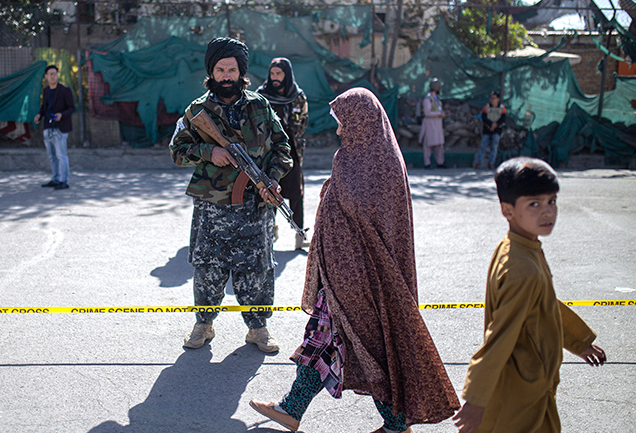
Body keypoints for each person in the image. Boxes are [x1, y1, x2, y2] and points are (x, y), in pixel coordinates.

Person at [249, 88, 460, 432]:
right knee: (325, 338)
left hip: (362, 278)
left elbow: (367, 217)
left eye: (342, 122)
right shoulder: (358, 157)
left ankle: (393, 423)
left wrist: (334, 197)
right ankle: (293, 409)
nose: (338, 130)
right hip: (341, 272)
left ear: (360, 122)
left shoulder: (377, 163)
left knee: (367, 347)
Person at [453, 157, 606, 433]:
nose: (547, 212)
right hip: (522, 389)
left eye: (552, 201)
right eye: (534, 204)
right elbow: (499, 336)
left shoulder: (518, 248)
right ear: (507, 210)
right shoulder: (522, 268)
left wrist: (578, 340)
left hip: (532, 384)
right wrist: (476, 399)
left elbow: (544, 303)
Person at [169, 37, 292, 353]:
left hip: (255, 206)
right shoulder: (197, 110)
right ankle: (204, 324)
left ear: (241, 73)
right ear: (211, 72)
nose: (226, 76)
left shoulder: (260, 106)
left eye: (232, 70)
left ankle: (258, 329)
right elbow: (177, 151)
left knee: (258, 269)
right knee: (208, 268)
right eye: (221, 69)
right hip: (212, 207)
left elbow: (282, 147)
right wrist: (209, 152)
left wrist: (273, 179)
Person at [256, 57, 309, 250]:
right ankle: (270, 230)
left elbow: (303, 121)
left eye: (279, 73)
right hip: (268, 152)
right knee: (270, 190)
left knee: (296, 193)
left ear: (287, 75)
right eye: (272, 73)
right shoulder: (261, 96)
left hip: (291, 150)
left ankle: (299, 234)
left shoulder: (297, 96)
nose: (275, 77)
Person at [34, 65, 75, 190]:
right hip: (48, 127)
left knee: (61, 155)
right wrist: (39, 115)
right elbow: (44, 107)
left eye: (55, 74)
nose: (53, 76)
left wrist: (61, 115)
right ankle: (55, 179)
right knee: (52, 156)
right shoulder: (46, 90)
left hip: (60, 128)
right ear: (46, 76)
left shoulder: (64, 90)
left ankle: (64, 181)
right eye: (50, 74)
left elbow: (71, 108)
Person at [418, 78, 448, 169]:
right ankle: (427, 163)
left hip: (438, 124)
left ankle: (440, 162)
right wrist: (439, 114)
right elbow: (427, 113)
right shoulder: (428, 99)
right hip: (430, 124)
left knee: (439, 144)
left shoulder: (437, 98)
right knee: (428, 144)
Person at [475, 91, 506, 169]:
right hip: (487, 130)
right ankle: (478, 162)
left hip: (497, 131)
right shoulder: (486, 107)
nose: (492, 100)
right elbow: (484, 117)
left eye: (494, 98)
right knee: (483, 147)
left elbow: (503, 119)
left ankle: (491, 163)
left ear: (498, 99)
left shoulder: (502, 108)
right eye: (491, 98)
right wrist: (491, 125)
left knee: (494, 148)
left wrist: (495, 125)